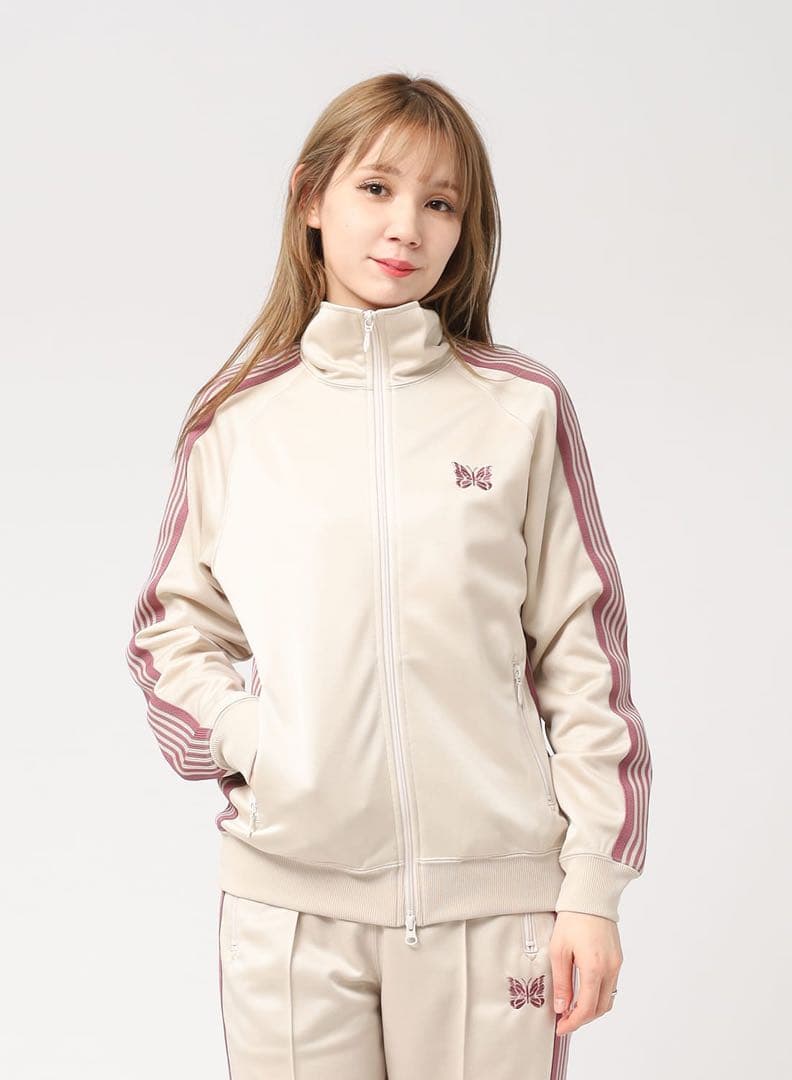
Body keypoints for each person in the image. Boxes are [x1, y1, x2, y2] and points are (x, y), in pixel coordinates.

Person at [125, 71, 652, 1080]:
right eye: (376, 188)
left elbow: (585, 662)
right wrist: (254, 740)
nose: (407, 225)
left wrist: (591, 889)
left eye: (441, 202)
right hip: (289, 912)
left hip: (494, 913)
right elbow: (168, 636)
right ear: (311, 197)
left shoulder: (521, 409)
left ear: (466, 229)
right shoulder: (236, 422)